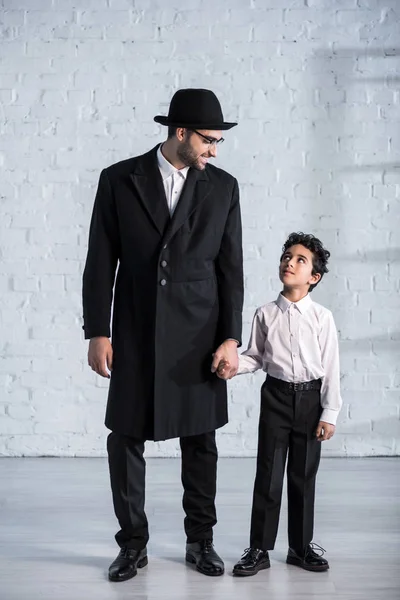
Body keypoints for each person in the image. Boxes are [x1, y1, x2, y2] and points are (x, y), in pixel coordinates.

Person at [82, 88, 244, 582]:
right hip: (134, 330)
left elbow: (230, 269)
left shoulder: (224, 186)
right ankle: (132, 544)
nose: (215, 150)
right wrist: (98, 331)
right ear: (180, 133)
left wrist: (230, 338)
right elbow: (99, 263)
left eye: (217, 142)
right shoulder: (118, 180)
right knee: (124, 438)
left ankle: (202, 540)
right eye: (209, 140)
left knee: (201, 441)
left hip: (199, 334)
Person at [218, 232, 342, 575]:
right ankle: (259, 548)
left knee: (303, 476)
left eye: (301, 260)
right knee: (268, 475)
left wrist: (329, 413)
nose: (290, 262)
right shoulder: (265, 313)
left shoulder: (322, 318)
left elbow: (331, 368)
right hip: (275, 396)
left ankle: (301, 548)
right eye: (287, 256)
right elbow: (254, 357)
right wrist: (231, 366)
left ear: (313, 277)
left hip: (310, 400)